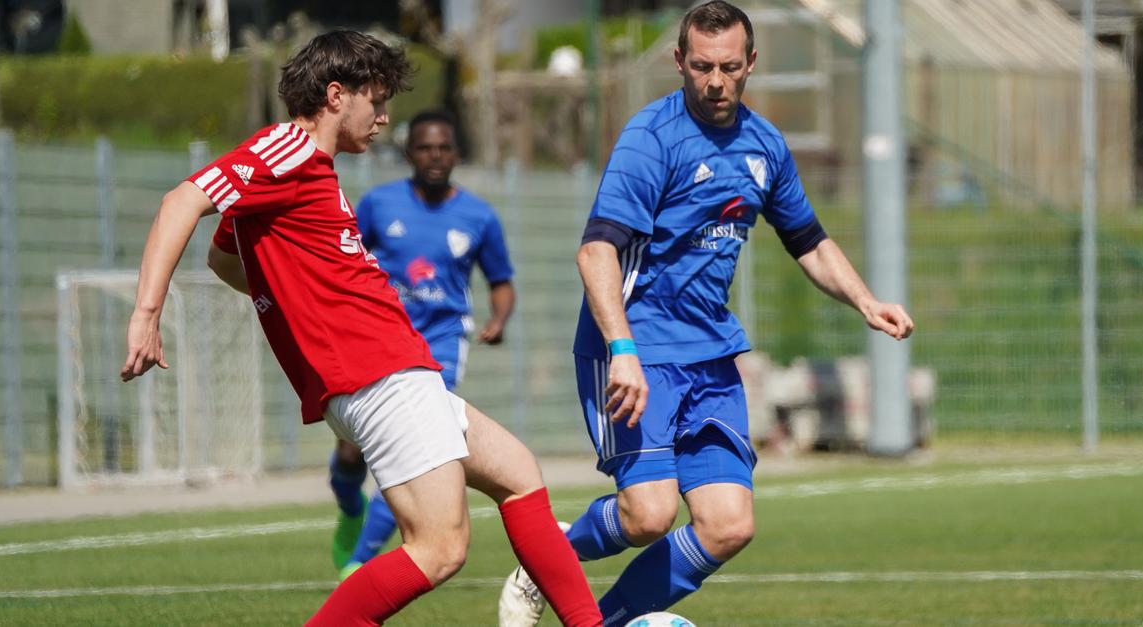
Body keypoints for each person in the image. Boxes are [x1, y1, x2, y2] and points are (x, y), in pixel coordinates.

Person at [122, 30, 600, 626]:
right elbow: (180, 202)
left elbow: (224, 259)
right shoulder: (286, 149)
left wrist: (297, 296)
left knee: (519, 475)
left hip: (394, 369)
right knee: (440, 547)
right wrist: (147, 314)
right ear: (334, 96)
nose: (384, 117)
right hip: (379, 374)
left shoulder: (306, 174)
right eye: (376, 100)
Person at [497, 2, 914, 625]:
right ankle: (549, 556)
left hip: (710, 355)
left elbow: (808, 241)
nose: (715, 81)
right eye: (701, 66)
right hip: (638, 351)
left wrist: (867, 300)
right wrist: (622, 350)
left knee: (728, 525)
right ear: (679, 61)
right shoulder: (651, 138)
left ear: (751, 62)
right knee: (649, 515)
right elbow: (596, 252)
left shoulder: (766, 145)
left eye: (728, 67)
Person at [326, 109, 517, 579]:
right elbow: (345, 259)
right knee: (350, 454)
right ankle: (350, 507)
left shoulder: (479, 215)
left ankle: (359, 562)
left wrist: (498, 319)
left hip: (440, 346)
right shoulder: (378, 205)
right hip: (377, 339)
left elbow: (501, 281)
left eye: (444, 147)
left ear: (456, 153)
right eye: (426, 147)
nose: (435, 156)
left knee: (414, 449)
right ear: (410, 152)